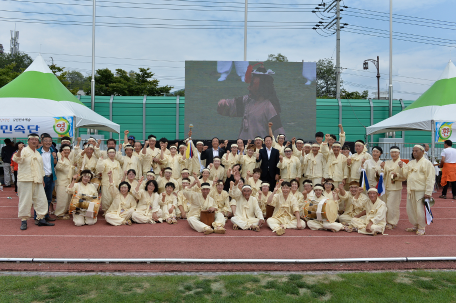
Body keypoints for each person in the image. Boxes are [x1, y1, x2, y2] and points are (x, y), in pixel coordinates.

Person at [217, 64, 286, 140]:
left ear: (262, 88)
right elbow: (231, 106)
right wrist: (224, 104)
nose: (248, 87)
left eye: (252, 84)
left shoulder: (270, 108)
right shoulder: (247, 100)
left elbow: (279, 134)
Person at [13, 134, 54, 230]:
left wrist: (42, 179)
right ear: (28, 140)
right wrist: (19, 150)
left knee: (41, 199)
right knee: (25, 200)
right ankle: (24, 220)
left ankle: (41, 219)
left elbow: (40, 167)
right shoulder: (23, 150)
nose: (34, 141)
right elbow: (16, 159)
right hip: (25, 180)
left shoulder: (37, 153)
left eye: (36, 139)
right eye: (32, 139)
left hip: (38, 180)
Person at [399, 145, 435, 236]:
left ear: (422, 152)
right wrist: (402, 166)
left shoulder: (427, 163)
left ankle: (422, 227)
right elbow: (405, 174)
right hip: (411, 190)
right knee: (410, 209)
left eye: (416, 151)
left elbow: (430, 178)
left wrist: (428, 192)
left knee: (420, 210)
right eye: (413, 151)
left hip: (421, 190)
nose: (414, 152)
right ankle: (416, 225)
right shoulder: (411, 163)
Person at [381, 146, 405, 230]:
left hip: (395, 187)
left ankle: (392, 222)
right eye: (392, 152)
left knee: (392, 205)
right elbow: (382, 173)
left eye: (395, 152)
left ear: (399, 153)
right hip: (386, 186)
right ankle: (384, 220)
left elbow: (404, 176)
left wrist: (397, 175)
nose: (393, 154)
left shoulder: (402, 163)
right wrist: (381, 168)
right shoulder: (387, 162)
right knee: (384, 205)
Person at [36, 134, 57, 223]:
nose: (48, 142)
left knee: (48, 198)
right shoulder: (37, 152)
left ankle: (46, 215)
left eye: (49, 141)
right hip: (42, 178)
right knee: (39, 199)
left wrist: (55, 157)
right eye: (46, 140)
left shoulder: (52, 151)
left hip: (51, 177)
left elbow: (55, 164)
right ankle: (37, 218)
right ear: (42, 141)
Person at [96, 148, 122, 214]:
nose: (112, 154)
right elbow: (100, 169)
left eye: (113, 152)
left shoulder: (117, 162)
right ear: (107, 154)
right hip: (106, 182)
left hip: (115, 183)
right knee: (106, 198)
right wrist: (100, 161)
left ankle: (113, 210)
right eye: (110, 152)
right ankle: (106, 211)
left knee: (114, 197)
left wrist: (119, 182)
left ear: (115, 153)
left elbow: (120, 173)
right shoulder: (104, 161)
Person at [54, 144, 74, 220]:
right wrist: (62, 157)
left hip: (68, 182)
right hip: (61, 182)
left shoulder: (69, 160)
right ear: (62, 151)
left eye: (68, 150)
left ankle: (64, 212)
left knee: (67, 198)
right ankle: (59, 213)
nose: (66, 151)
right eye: (65, 150)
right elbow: (59, 168)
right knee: (61, 198)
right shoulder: (60, 158)